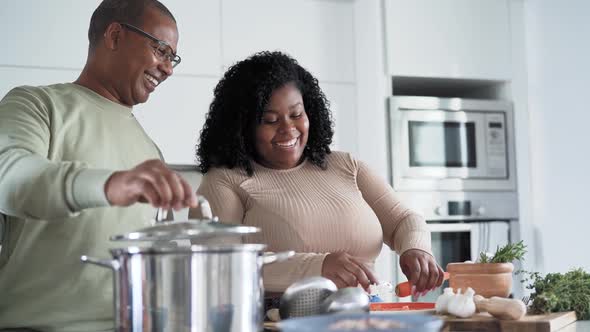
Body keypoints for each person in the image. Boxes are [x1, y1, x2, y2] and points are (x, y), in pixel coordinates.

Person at [0, 1, 199, 331]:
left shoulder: (149, 149)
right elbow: (11, 178)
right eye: (161, 50)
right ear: (115, 34)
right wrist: (110, 185)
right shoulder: (36, 104)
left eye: (173, 58)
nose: (168, 68)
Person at [191, 51, 445, 298]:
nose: (288, 129)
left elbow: (403, 220)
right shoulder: (224, 181)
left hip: (365, 319)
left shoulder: (346, 165)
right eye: (270, 120)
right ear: (242, 126)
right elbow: (218, 268)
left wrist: (416, 248)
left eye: (296, 115)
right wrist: (318, 267)